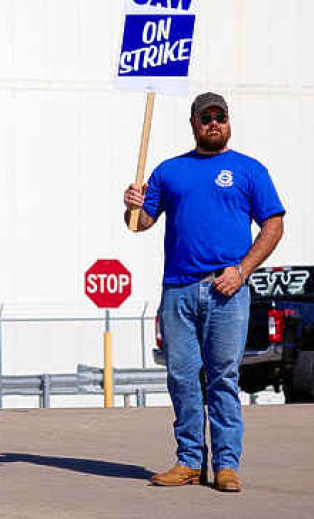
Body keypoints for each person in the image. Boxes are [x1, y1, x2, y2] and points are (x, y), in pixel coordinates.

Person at [123, 92, 285, 492]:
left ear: (228, 122)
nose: (214, 123)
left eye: (220, 117)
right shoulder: (169, 171)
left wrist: (243, 271)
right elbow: (140, 223)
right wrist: (131, 204)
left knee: (223, 379)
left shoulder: (249, 170)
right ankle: (189, 461)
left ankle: (227, 465)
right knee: (181, 377)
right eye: (206, 118)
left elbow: (273, 225)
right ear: (193, 123)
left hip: (226, 290)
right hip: (178, 290)